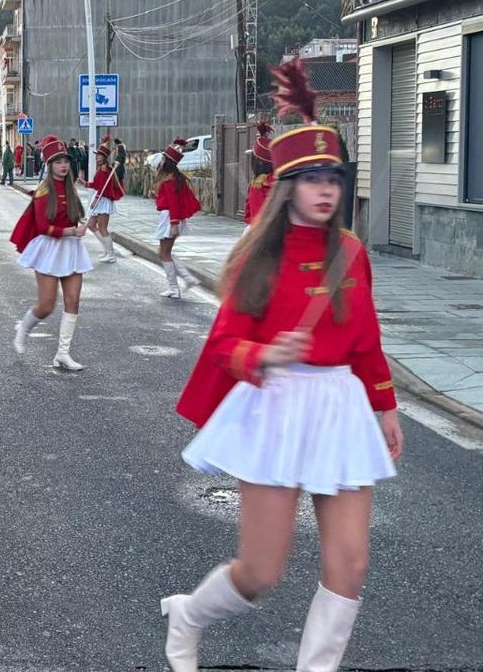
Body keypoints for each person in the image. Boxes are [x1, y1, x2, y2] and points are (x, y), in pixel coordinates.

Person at [161, 59, 402, 672]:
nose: (327, 189)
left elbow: (366, 338)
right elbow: (225, 344)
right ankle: (188, 614)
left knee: (350, 564)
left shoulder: (350, 252)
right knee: (261, 571)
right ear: (286, 185)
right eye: (313, 177)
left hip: (340, 407)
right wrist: (264, 353)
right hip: (274, 406)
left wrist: (386, 404)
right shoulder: (256, 257)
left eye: (335, 177)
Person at [10, 135, 93, 370]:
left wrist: (83, 226)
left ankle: (62, 355)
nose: (63, 165)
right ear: (49, 165)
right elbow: (42, 227)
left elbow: (74, 217)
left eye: (65, 160)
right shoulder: (44, 191)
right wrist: (71, 232)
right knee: (46, 305)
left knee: (73, 301)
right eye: (58, 162)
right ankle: (23, 329)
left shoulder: (72, 188)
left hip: (72, 248)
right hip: (49, 248)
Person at [155, 138, 202, 299]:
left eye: (163, 159)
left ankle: (175, 288)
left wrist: (174, 224)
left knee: (164, 253)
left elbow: (174, 204)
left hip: (169, 218)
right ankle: (186, 279)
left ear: (167, 162)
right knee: (164, 252)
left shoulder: (169, 180)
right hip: (170, 217)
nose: (160, 162)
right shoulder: (174, 178)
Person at [85, 136, 124, 264]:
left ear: (103, 157)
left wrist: (96, 199)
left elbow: (103, 187)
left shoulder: (105, 169)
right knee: (91, 225)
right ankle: (107, 249)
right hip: (99, 198)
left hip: (103, 200)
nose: (96, 157)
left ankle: (111, 254)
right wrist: (86, 184)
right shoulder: (101, 168)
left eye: (98, 155)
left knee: (102, 228)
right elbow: (97, 185)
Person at [244, 118, 275, 227]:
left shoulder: (258, 184)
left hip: (261, 231)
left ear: (258, 162)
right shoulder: (282, 180)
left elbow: (256, 216)